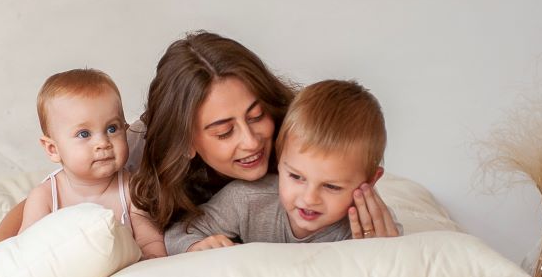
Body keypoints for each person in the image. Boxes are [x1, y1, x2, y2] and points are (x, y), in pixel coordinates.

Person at [0, 31, 398, 256]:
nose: (250, 140)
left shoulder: (294, 129)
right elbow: (47, 191)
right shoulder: (142, 152)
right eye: (223, 131)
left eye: (256, 115)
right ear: (187, 141)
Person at [0, 68, 166, 260]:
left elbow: (150, 241)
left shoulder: (130, 189)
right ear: (53, 149)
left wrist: (151, 260)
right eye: (84, 134)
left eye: (112, 128)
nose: (103, 143)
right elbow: (24, 251)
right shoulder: (46, 196)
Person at [164, 79, 397, 254]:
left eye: (332, 187)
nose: (309, 198)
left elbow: (394, 261)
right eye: (296, 176)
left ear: (370, 181)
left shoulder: (364, 225)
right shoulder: (247, 199)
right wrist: (197, 245)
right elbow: (178, 233)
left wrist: (379, 252)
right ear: (279, 156)